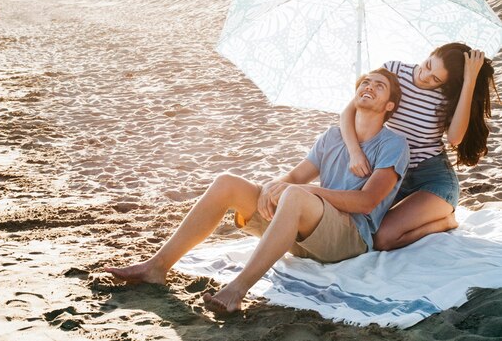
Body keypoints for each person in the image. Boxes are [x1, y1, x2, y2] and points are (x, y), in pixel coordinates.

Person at [106, 69, 410, 313]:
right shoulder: (332, 136)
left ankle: (236, 290)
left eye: (379, 86)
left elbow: (367, 202)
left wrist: (301, 192)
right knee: (228, 182)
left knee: (295, 194)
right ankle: (157, 267)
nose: (369, 85)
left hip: (348, 238)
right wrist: (272, 187)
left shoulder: (393, 144)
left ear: (389, 106)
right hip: (306, 229)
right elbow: (296, 175)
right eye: (365, 81)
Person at [340, 43, 497, 251]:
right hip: (391, 172)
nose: (426, 76)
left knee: (383, 239)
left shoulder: (447, 96)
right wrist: (355, 152)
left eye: (436, 79)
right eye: (428, 65)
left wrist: (469, 81)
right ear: (430, 54)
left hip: (432, 179)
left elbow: (455, 138)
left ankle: (445, 221)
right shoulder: (394, 71)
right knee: (361, 224)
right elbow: (347, 114)